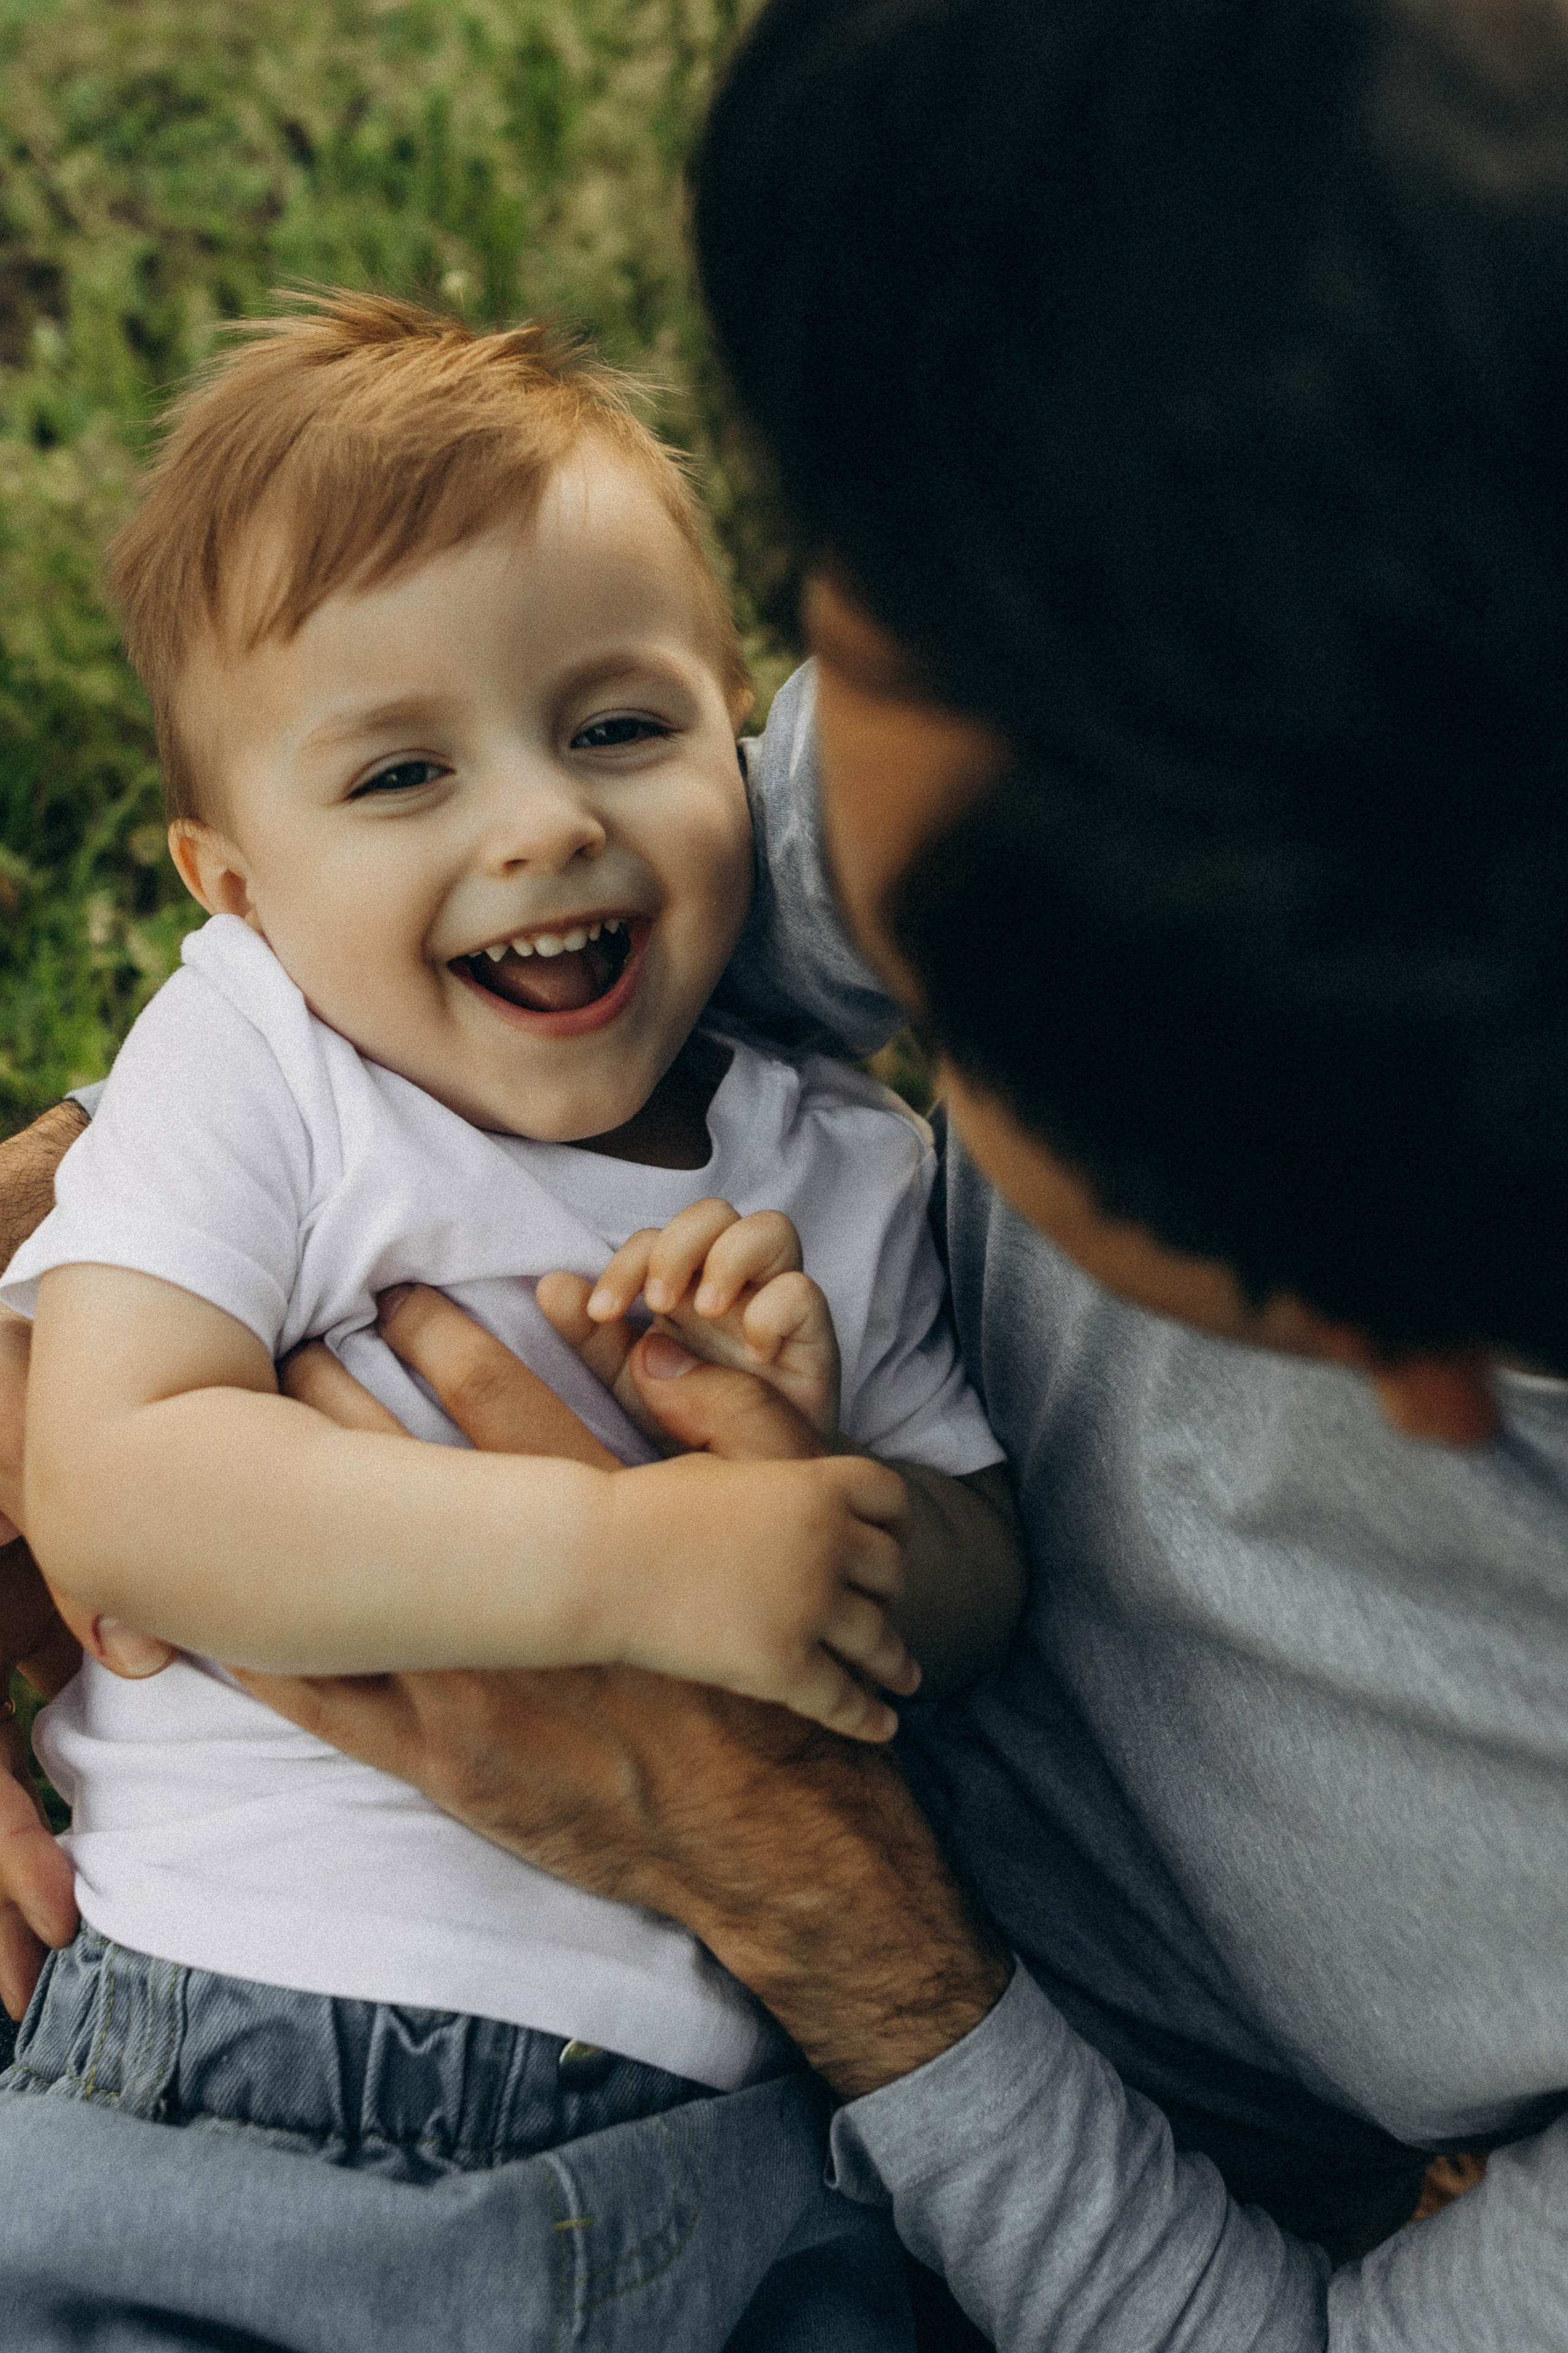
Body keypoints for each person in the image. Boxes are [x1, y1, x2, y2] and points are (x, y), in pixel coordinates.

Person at [6, 0, 1568, 2345]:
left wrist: (810, 1855)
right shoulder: (1176, 596)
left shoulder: (1160, 864)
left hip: (811, 2169)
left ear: (1404, 1337)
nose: (769, 779)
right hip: (217, 2024)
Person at [0, 289, 1021, 2348]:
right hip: (239, 2086)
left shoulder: (839, 1164)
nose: (542, 820)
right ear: (234, 880)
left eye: (621, 729)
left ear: (743, 742)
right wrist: (636, 1558)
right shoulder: (263, 1061)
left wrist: (837, 1512)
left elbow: (987, 1562)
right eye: (400, 772)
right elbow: (114, 1484)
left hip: (734, 2166)